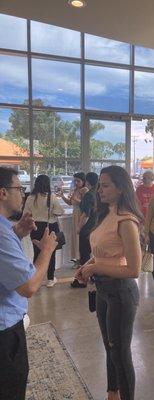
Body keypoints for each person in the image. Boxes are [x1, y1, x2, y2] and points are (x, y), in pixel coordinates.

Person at [75, 166, 142, 400]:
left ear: (121, 189)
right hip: (103, 290)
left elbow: (134, 269)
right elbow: (103, 252)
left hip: (121, 293)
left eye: (105, 186)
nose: (99, 190)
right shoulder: (106, 213)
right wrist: (87, 265)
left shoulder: (126, 221)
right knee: (110, 346)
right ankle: (112, 392)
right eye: (99, 185)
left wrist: (95, 267)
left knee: (120, 352)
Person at [0, 167, 57, 399]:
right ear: (3, 192)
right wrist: (46, 250)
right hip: (4, 333)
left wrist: (18, 232)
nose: (22, 194)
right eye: (18, 188)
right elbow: (29, 287)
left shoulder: (6, 228)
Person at [23, 174, 64, 288]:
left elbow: (25, 214)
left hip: (36, 227)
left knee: (36, 253)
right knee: (51, 253)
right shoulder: (51, 197)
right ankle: (50, 279)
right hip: (51, 227)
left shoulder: (31, 198)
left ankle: (37, 279)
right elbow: (61, 211)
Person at [71, 171, 98, 288]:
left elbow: (85, 215)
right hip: (96, 228)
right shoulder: (97, 193)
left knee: (85, 255)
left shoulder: (88, 195)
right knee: (94, 255)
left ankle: (82, 279)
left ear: (87, 182)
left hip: (87, 229)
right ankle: (93, 276)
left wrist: (78, 227)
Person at [60, 172, 88, 265]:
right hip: (75, 214)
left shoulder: (84, 190)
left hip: (81, 215)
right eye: (75, 181)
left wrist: (76, 199)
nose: (76, 182)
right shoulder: (76, 190)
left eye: (78, 181)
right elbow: (70, 203)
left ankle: (80, 259)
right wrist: (62, 196)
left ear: (83, 181)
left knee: (79, 237)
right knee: (75, 237)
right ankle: (76, 258)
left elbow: (86, 204)